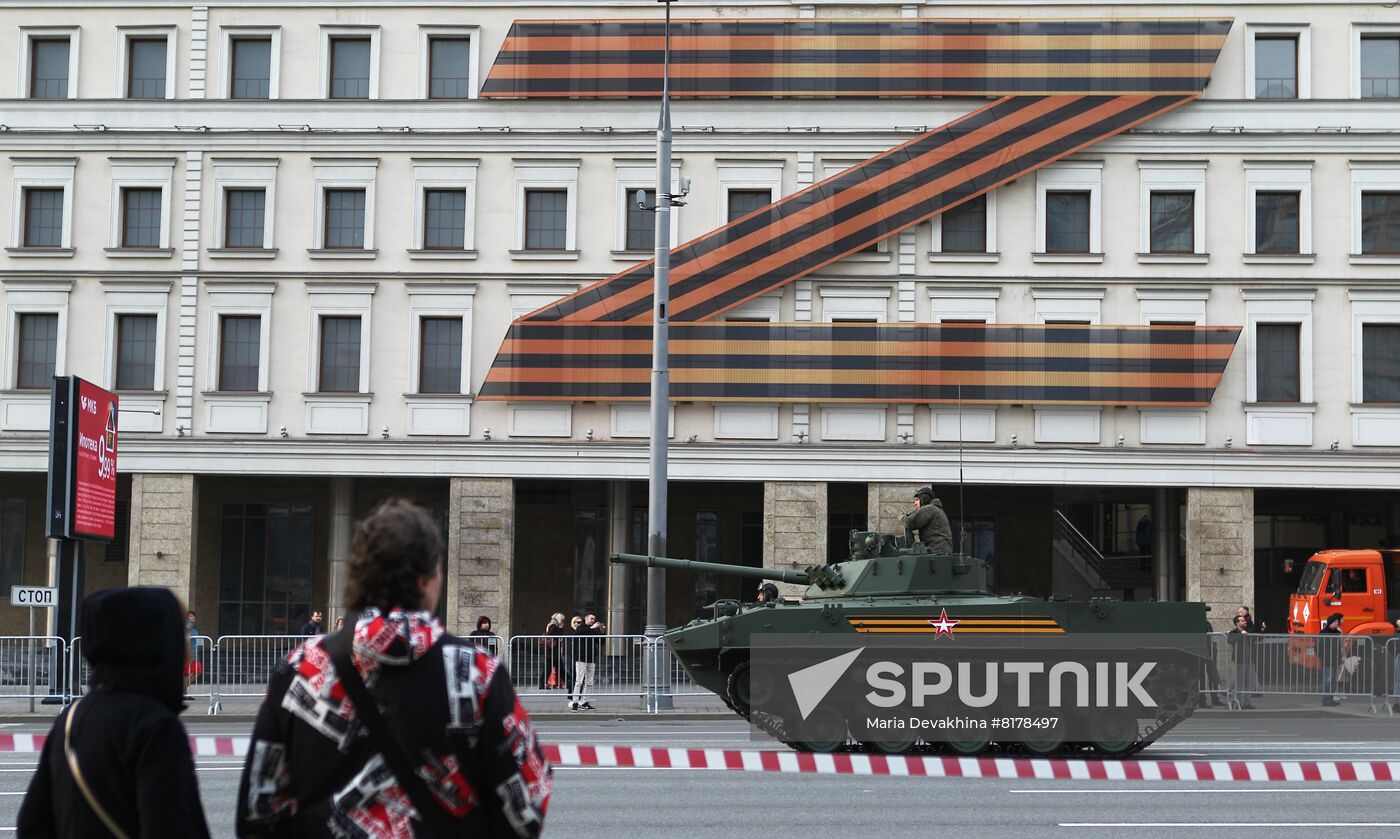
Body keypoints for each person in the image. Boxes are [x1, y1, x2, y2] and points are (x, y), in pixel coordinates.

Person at [236, 499, 551, 838]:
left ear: (359, 575)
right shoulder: (476, 673)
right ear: (426, 579)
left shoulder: (302, 667)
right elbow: (525, 806)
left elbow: (259, 809)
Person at [18, 587, 212, 838]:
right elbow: (169, 828)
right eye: (179, 634)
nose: (185, 646)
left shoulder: (71, 717)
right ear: (156, 642)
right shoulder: (157, 727)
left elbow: (32, 824)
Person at [899, 487, 954, 554]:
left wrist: (901, 517)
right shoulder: (935, 509)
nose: (915, 503)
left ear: (923, 499)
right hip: (941, 550)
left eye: (917, 500)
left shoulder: (929, 509)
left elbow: (909, 523)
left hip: (936, 551)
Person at [570, 614, 606, 711]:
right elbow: (579, 634)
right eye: (591, 619)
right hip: (581, 657)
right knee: (579, 681)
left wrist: (602, 631)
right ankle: (575, 702)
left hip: (591, 658)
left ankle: (584, 701)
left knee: (589, 682)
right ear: (586, 619)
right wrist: (592, 627)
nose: (593, 620)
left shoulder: (593, 629)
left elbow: (601, 641)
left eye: (594, 619)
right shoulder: (581, 627)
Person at [1226, 614, 1255, 709]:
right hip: (1240, 660)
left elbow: (1258, 637)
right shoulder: (1234, 632)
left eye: (1245, 620)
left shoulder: (1248, 632)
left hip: (1249, 660)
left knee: (1248, 682)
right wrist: (1240, 634)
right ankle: (1239, 702)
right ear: (1237, 623)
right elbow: (1230, 640)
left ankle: (1247, 703)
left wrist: (1263, 629)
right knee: (1239, 682)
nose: (1245, 622)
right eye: (1242, 621)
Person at [1320, 612, 1344, 707]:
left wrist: (1340, 657)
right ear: (1330, 623)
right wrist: (1324, 656)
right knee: (1328, 680)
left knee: (1333, 681)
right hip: (1327, 660)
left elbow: (1339, 647)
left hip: (1335, 660)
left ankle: (1330, 698)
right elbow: (1318, 647)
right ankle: (1326, 700)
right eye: (1335, 622)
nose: (1337, 623)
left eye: (1337, 621)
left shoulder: (1337, 633)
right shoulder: (1323, 633)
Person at [540, 613, 567, 690]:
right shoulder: (553, 625)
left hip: (552, 651)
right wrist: (561, 628)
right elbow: (555, 635)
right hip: (553, 651)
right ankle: (569, 682)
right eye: (562, 620)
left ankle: (542, 683)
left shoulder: (552, 625)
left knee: (554, 668)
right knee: (557, 668)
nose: (562, 621)